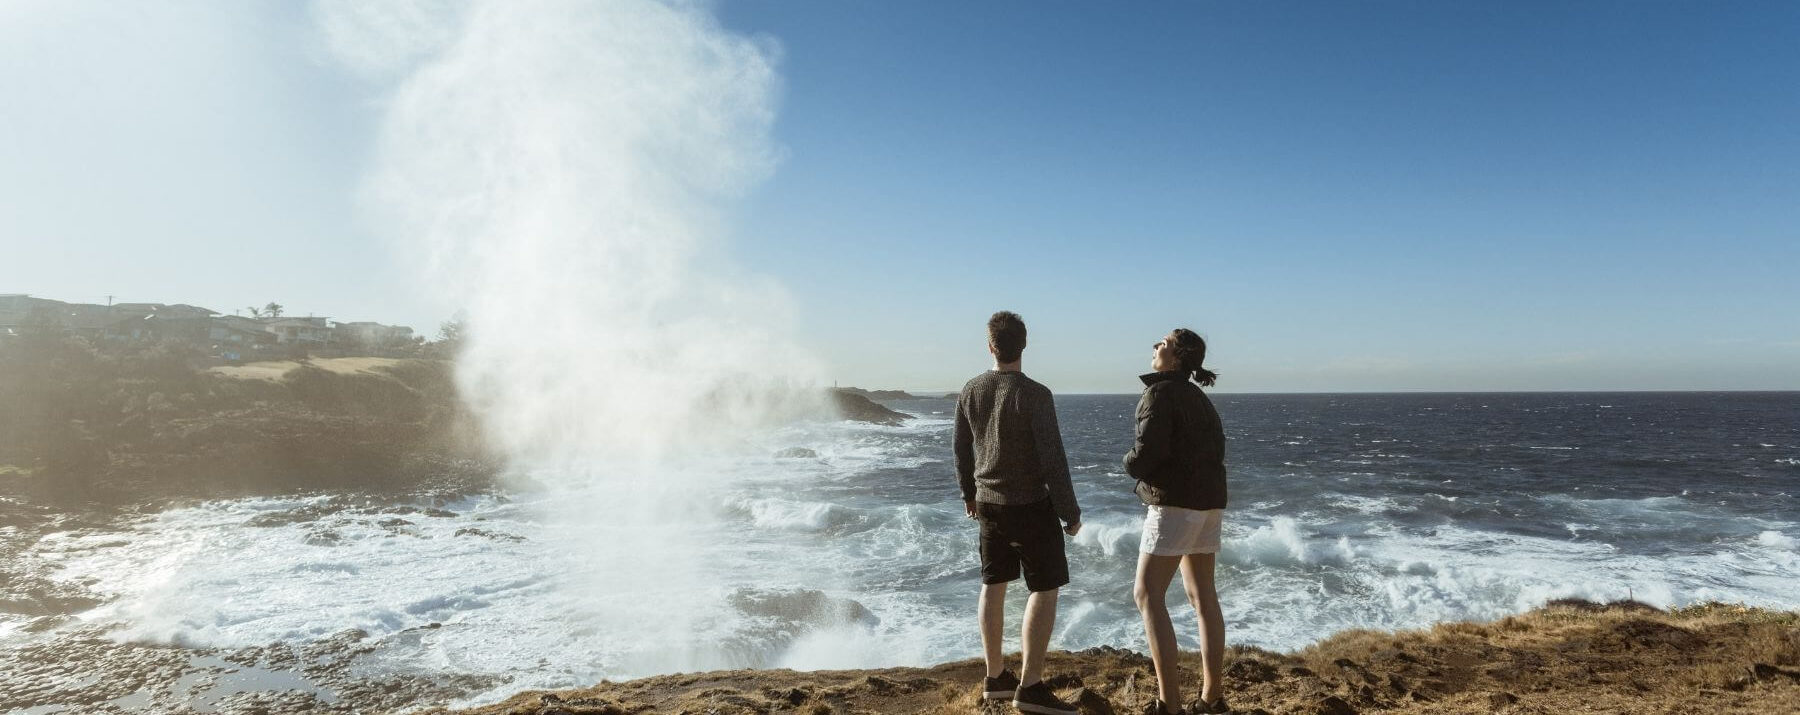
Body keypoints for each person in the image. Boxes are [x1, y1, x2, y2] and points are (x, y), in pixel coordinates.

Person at [954, 310, 1082, 715]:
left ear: (990, 346)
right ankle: (1030, 686)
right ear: (1023, 346)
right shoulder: (1035, 394)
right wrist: (1069, 512)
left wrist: (968, 494)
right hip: (1029, 505)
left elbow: (961, 449)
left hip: (989, 503)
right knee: (1044, 588)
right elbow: (1052, 459)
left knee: (993, 584)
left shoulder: (971, 389)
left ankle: (995, 677)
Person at [1124, 329, 1229, 715]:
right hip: (1208, 504)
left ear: (1178, 356)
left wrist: (1128, 464)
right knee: (1204, 597)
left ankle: (1168, 705)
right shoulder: (1200, 399)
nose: (1155, 346)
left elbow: (1146, 453)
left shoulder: (1160, 393)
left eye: (1163, 344)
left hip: (1175, 506)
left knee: (1147, 593)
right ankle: (1211, 698)